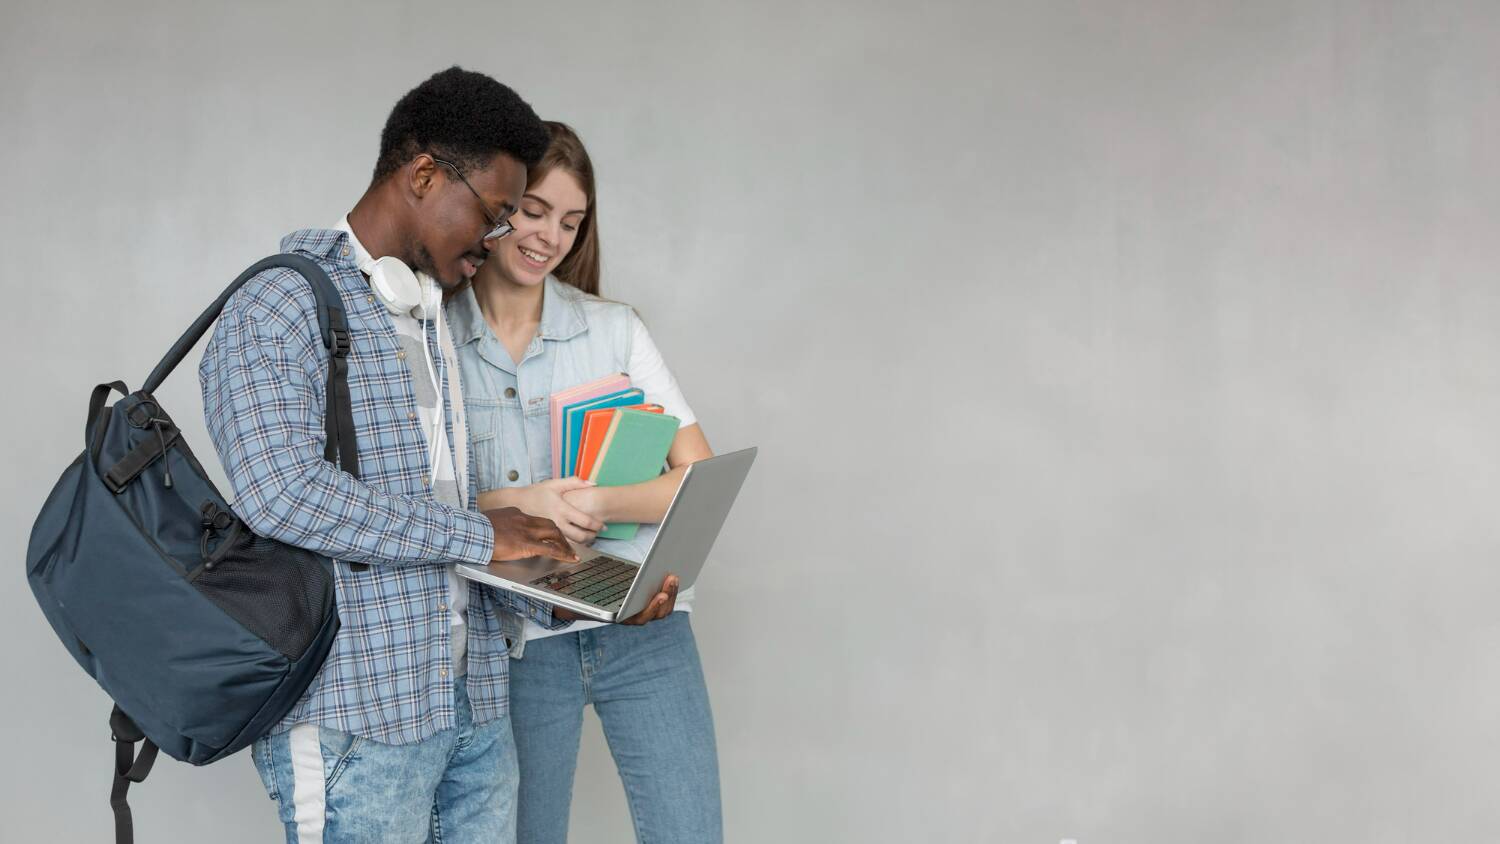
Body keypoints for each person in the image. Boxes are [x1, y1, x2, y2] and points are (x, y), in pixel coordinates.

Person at [198, 69, 679, 844]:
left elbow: (441, 524)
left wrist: (557, 594)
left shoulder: (426, 316)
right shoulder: (277, 303)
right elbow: (279, 492)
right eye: (493, 216)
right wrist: (485, 535)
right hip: (358, 719)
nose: (498, 243)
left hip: (474, 710)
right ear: (423, 174)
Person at [451, 121, 720, 844]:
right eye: (534, 211)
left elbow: (696, 476)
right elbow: (414, 508)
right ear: (499, 203)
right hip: (515, 644)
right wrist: (524, 503)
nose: (549, 238)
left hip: (643, 624)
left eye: (571, 222)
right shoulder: (434, 334)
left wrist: (600, 502)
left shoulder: (615, 329)